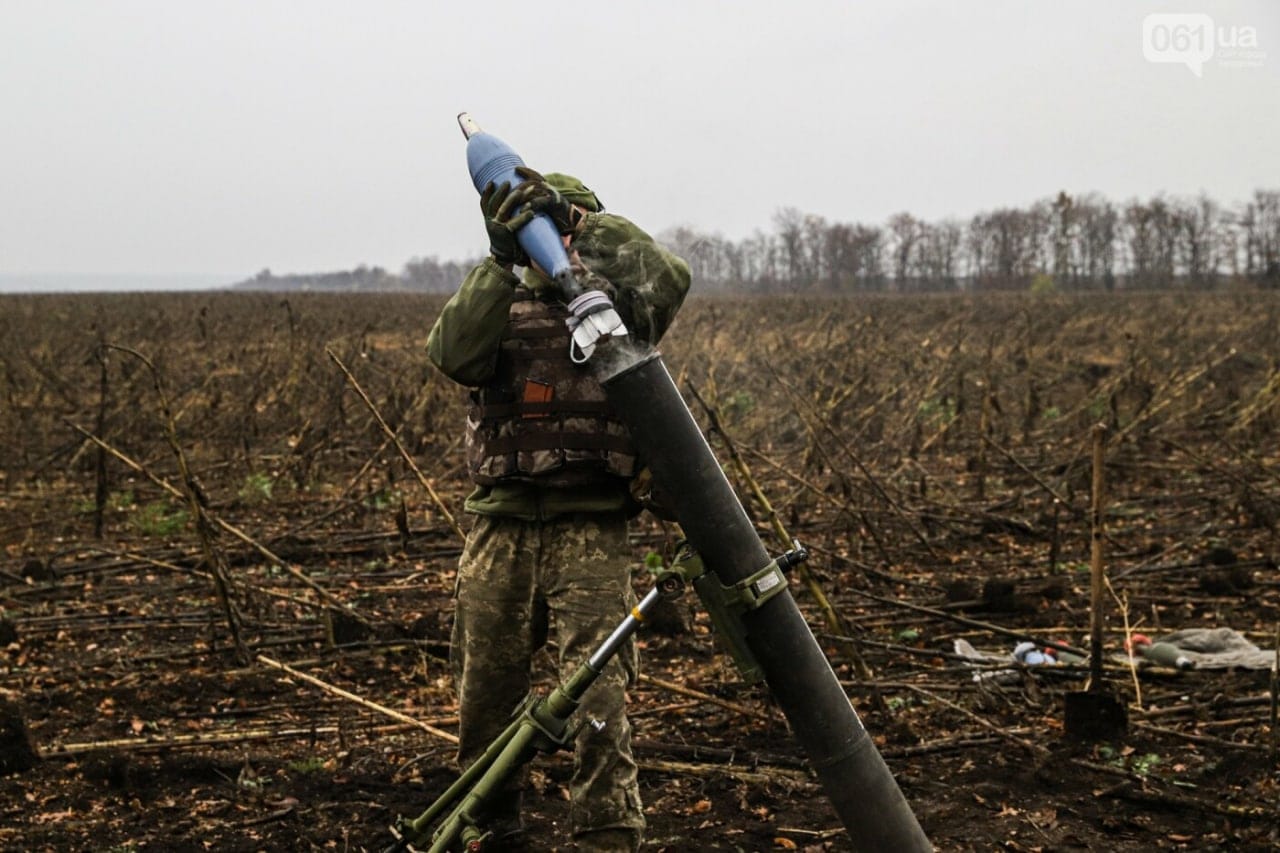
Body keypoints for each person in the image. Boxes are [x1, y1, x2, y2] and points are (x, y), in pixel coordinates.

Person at [426, 166, 690, 852]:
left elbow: (669, 274)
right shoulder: (497, 308)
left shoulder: (621, 312)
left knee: (599, 701)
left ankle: (607, 832)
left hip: (591, 529)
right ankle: (490, 824)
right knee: (484, 690)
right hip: (500, 527)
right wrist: (498, 259)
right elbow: (451, 352)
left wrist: (579, 226)